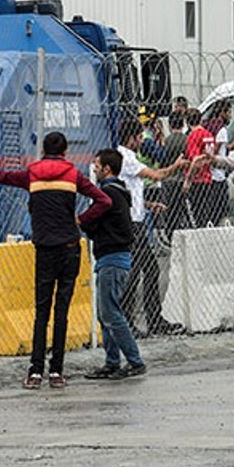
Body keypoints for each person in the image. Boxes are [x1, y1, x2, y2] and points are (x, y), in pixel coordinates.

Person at [0, 131, 112, 388]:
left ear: (44, 151)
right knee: (62, 312)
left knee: (41, 311)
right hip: (70, 247)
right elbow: (104, 200)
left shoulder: (32, 174)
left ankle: (35, 372)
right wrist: (80, 219)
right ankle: (56, 371)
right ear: (65, 152)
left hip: (44, 249)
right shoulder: (73, 175)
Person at [115, 121, 188, 337]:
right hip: (132, 225)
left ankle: (153, 319)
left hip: (135, 220)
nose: (141, 143)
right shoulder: (126, 157)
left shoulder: (126, 157)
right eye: (139, 138)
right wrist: (176, 165)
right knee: (137, 271)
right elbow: (157, 176)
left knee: (148, 268)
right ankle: (131, 320)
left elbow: (130, 191)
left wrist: (147, 205)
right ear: (132, 138)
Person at [81, 149, 146, 380]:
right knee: (105, 313)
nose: (94, 168)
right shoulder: (119, 192)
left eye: (97, 165)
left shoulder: (107, 195)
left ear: (107, 168)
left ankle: (134, 360)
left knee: (111, 313)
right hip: (112, 259)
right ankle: (112, 362)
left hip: (112, 259)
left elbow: (90, 222)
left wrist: (84, 222)